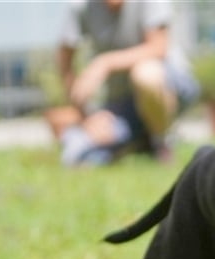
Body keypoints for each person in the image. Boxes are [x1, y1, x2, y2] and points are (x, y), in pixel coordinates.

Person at [45, 0, 200, 166]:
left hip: (171, 86)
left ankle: (162, 142)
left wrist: (105, 63)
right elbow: (64, 60)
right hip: (124, 103)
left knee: (145, 73)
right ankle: (141, 140)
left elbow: (158, 48)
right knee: (77, 154)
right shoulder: (80, 6)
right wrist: (86, 117)